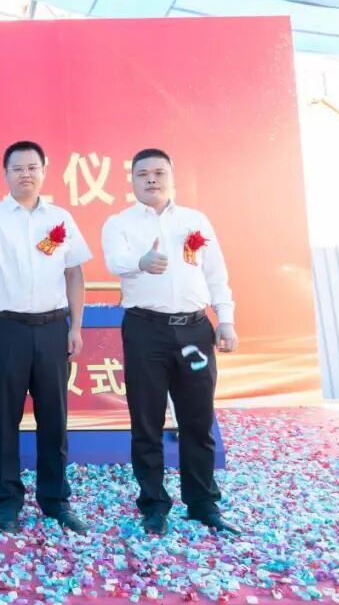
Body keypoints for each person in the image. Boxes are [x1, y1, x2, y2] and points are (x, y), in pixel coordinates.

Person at [101, 148, 239, 535]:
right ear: (132, 180)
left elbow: (216, 273)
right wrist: (140, 263)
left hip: (194, 330)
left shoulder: (196, 220)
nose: (151, 179)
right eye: (142, 173)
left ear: (171, 177)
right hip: (146, 331)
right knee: (146, 420)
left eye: (159, 172)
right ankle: (154, 504)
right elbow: (114, 262)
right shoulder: (119, 223)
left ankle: (202, 503)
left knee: (198, 418)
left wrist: (225, 320)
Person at [0, 140, 90, 534]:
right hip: (6, 330)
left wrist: (75, 327)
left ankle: (55, 500)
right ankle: (8, 501)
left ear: (44, 170)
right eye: (17, 168)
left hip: (53, 328)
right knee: (5, 419)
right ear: (5, 174)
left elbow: (74, 274)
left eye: (32, 167)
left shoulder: (60, 218)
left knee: (54, 419)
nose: (25, 174)